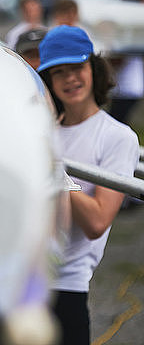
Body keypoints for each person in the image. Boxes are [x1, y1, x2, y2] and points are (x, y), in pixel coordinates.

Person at [37, 25, 140, 344]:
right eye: (59, 72)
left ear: (94, 67)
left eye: (77, 67)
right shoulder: (40, 130)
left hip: (65, 287)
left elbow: (97, 221)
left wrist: (52, 171)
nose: (69, 79)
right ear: (48, 81)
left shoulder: (117, 137)